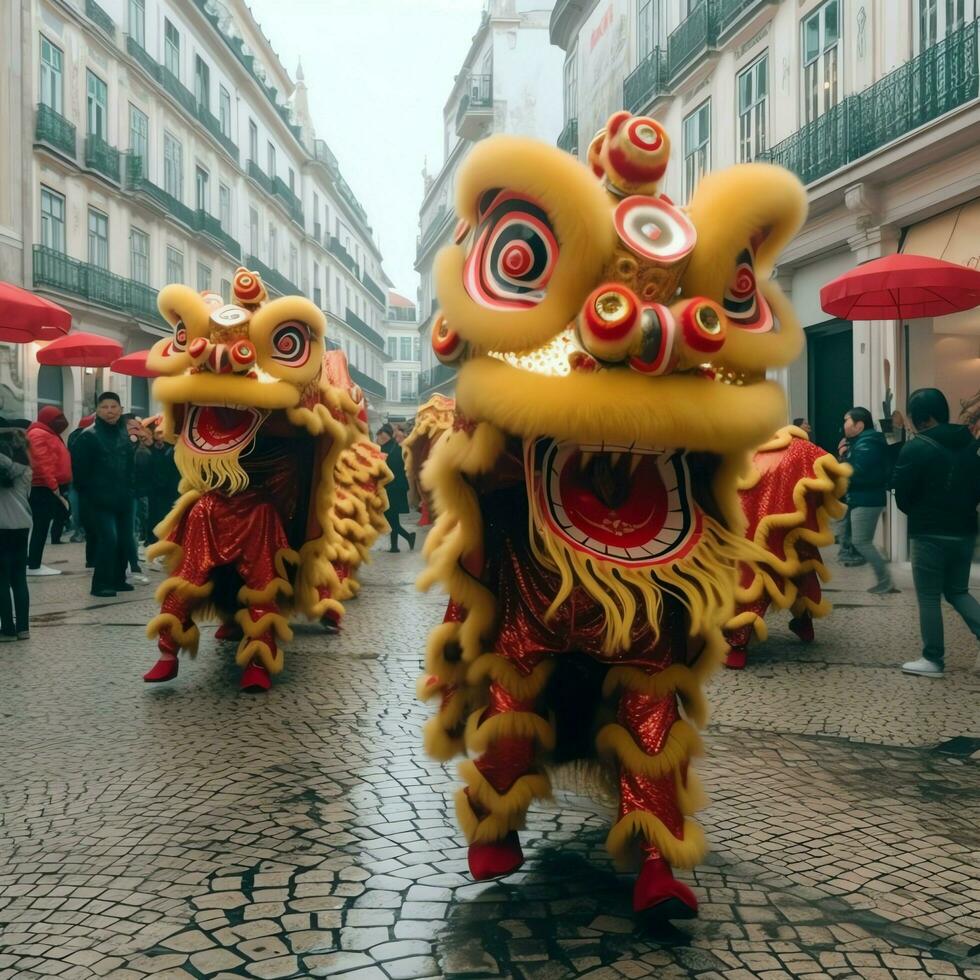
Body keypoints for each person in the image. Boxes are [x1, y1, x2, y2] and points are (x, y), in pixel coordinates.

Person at [893, 388, 980, 678]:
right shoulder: (970, 442)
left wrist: (922, 512)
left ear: (922, 417)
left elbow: (903, 496)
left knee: (929, 597)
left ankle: (933, 659)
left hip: (929, 533)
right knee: (958, 591)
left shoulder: (916, 448)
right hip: (965, 530)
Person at [70, 392, 137, 598]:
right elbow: (79, 474)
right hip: (99, 499)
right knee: (108, 539)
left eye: (113, 407)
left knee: (125, 539)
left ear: (121, 409)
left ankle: (118, 578)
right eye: (105, 407)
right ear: (97, 411)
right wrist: (89, 496)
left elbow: (131, 467)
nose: (110, 411)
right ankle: (100, 583)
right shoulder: (88, 436)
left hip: (124, 497)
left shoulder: (125, 435)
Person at [843, 407, 897, 594]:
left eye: (847, 420)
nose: (844, 425)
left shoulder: (867, 443)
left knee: (861, 542)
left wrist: (842, 464)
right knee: (861, 541)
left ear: (859, 425)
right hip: (865, 497)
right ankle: (885, 581)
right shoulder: (865, 441)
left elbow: (860, 471)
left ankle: (885, 581)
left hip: (866, 498)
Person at [25, 406, 71, 576]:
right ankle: (33, 565)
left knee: (41, 526)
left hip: (47, 486)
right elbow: (43, 463)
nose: (62, 421)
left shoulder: (47, 432)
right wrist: (54, 488)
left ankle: (33, 562)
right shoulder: (39, 434)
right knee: (40, 526)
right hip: (44, 488)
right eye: (58, 418)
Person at [0, 426, 32, 640]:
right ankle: (23, 628)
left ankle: (8, 630)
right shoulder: (27, 470)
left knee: (1, 580)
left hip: (1, 527)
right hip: (22, 526)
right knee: (19, 578)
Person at [377, 423, 415, 553]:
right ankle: (397, 544)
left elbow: (396, 467)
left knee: (391, 517)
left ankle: (405, 539)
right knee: (393, 518)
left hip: (394, 487)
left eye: (383, 436)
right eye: (379, 437)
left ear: (389, 435)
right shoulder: (383, 448)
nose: (381, 439)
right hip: (389, 487)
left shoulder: (395, 448)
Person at [66, 414, 94, 545]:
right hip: (88, 480)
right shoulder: (90, 436)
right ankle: (86, 532)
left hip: (74, 478)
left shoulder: (73, 436)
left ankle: (79, 532)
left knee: (76, 508)